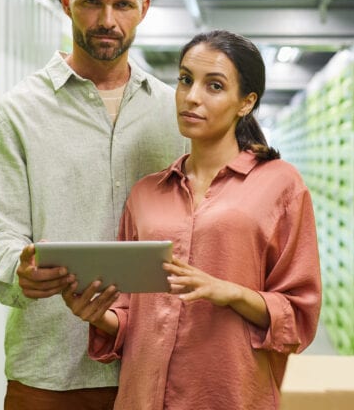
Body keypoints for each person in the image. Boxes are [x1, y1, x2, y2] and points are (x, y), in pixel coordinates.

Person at [0, 0, 187, 409]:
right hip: (49, 372)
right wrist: (17, 269)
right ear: (67, 1)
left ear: (144, 9)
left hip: (158, 367)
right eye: (92, 2)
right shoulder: (19, 112)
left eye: (123, 5)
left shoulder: (176, 116)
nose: (107, 20)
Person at [63, 30, 322, 409]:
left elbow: (299, 314)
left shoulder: (281, 184)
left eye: (214, 86)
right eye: (185, 80)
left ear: (245, 102)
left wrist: (232, 292)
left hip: (228, 393)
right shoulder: (146, 194)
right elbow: (132, 314)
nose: (191, 96)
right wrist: (99, 315)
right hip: (144, 396)